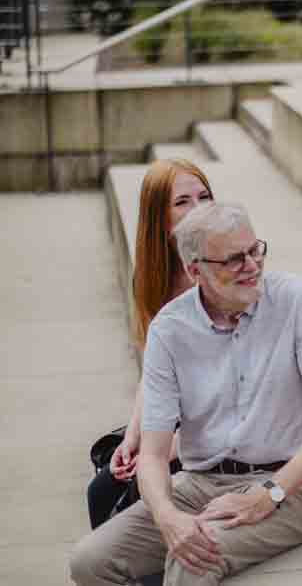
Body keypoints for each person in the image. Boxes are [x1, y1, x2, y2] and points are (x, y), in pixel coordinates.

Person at [70, 203, 302, 586]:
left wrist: (268, 493)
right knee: (89, 561)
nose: (252, 266)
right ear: (194, 270)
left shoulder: (295, 301)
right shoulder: (169, 330)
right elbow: (153, 455)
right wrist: (168, 518)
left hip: (289, 486)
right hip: (198, 483)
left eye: (255, 250)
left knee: (194, 562)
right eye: (234, 260)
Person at [87, 159, 214, 531]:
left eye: (205, 197)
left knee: (132, 496)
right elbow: (153, 374)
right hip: (177, 419)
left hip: (220, 431)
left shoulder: (220, 276)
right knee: (101, 488)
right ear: (160, 218)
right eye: (183, 202)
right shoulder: (157, 278)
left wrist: (161, 449)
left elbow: (236, 391)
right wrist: (132, 436)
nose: (199, 209)